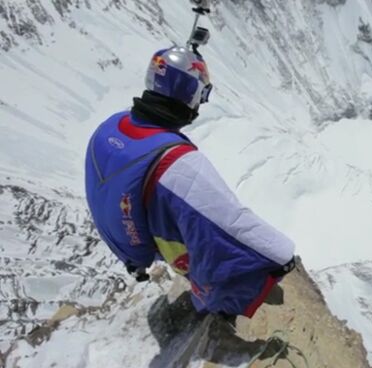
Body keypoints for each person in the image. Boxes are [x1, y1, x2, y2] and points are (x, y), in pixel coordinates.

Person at [84, 46, 296, 318]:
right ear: (190, 94)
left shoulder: (112, 126)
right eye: (202, 93)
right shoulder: (178, 164)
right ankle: (217, 304)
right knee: (226, 246)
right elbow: (228, 221)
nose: (202, 101)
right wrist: (281, 258)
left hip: (125, 235)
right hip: (154, 237)